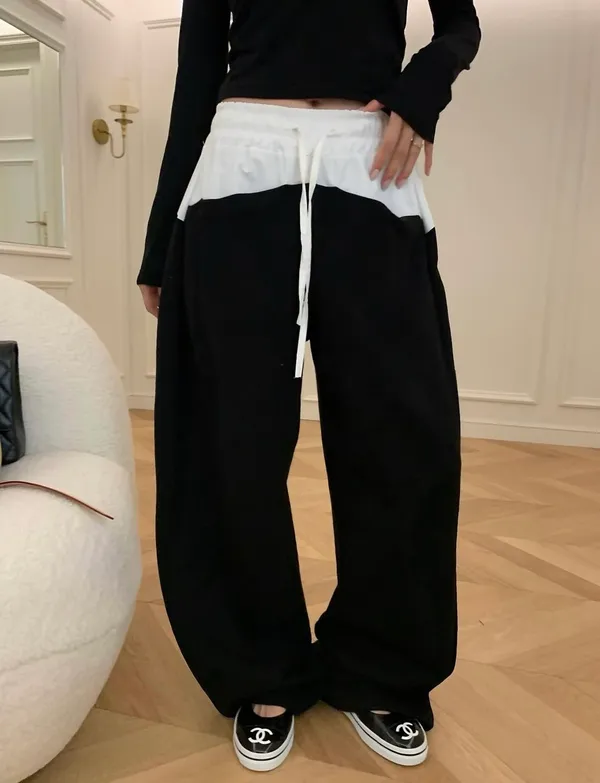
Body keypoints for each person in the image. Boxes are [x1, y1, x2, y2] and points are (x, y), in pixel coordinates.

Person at [137, 0, 481, 773]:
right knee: (235, 443)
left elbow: (460, 24)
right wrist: (161, 243)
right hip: (240, 165)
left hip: (371, 162)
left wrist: (423, 88)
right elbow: (198, 72)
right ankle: (262, 667)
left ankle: (381, 665)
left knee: (403, 439)